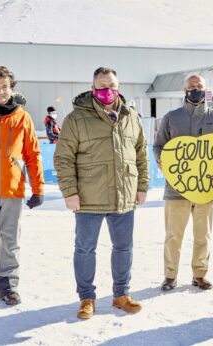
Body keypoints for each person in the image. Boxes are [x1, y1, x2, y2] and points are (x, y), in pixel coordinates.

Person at [54, 67, 150, 320]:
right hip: (88, 197)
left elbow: (141, 155)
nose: (108, 91)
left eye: (112, 85)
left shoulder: (131, 116)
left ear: (119, 87)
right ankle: (87, 297)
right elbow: (63, 158)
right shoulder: (76, 118)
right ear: (93, 87)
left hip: (124, 195)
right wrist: (70, 192)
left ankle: (121, 295)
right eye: (102, 86)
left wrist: (142, 187)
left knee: (123, 248)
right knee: (85, 249)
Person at [153, 73, 213, 292]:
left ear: (205, 89)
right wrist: (160, 158)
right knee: (173, 235)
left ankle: (200, 274)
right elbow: (159, 145)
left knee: (203, 235)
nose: (195, 89)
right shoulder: (171, 117)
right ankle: (170, 275)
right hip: (176, 188)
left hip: (207, 188)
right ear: (185, 90)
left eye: (199, 86)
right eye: (191, 86)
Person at [0, 66, 44, 305]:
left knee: (11, 241)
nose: (0, 91)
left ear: (12, 88)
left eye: (5, 86)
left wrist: (38, 189)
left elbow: (33, 154)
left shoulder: (23, 117)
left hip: (13, 191)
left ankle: (8, 285)